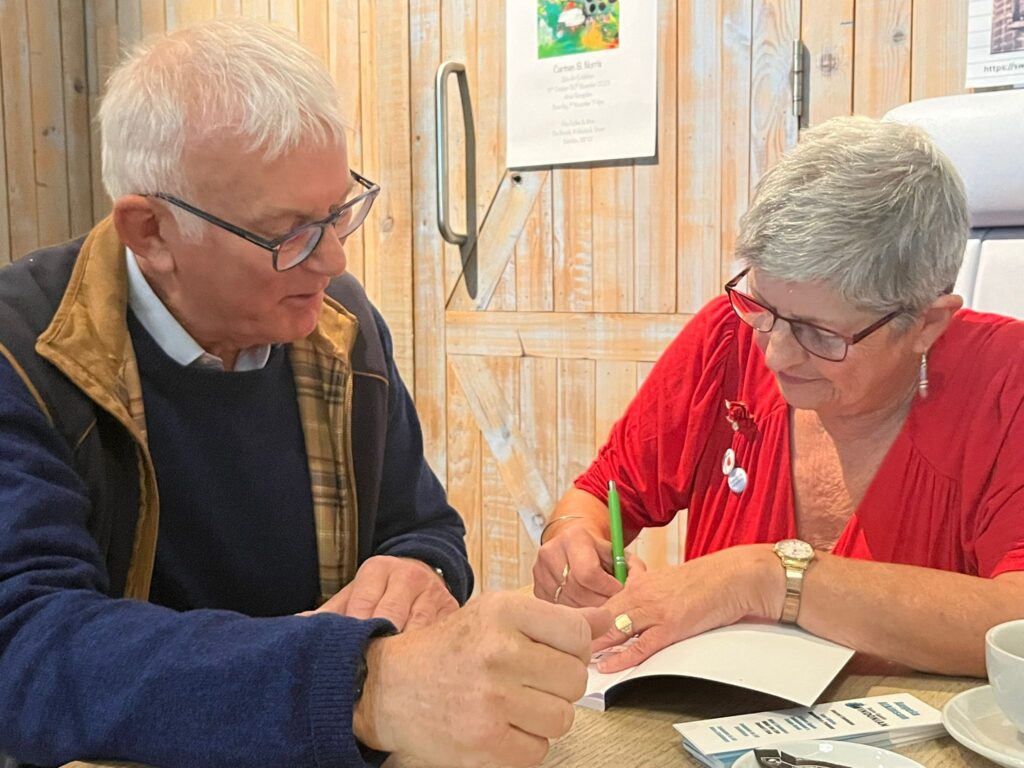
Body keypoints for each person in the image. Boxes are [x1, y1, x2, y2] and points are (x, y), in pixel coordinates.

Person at [0, 18, 606, 768]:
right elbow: (25, 646)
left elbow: (423, 525)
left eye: (338, 210)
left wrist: (418, 571)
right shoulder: (23, 351)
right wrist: (363, 683)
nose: (334, 257)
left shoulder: (342, 328)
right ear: (150, 230)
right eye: (289, 231)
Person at [534, 115, 1024, 677]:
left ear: (928, 325)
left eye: (822, 334)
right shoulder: (729, 336)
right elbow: (602, 494)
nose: (775, 355)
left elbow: (1017, 622)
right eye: (762, 307)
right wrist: (570, 539)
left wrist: (771, 578)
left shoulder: (1007, 383)